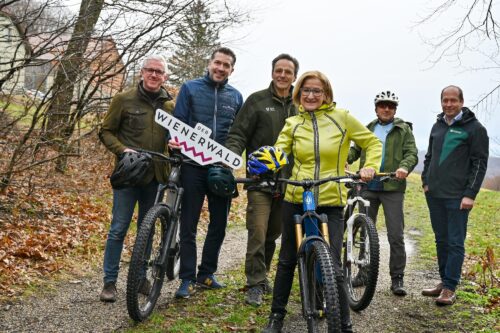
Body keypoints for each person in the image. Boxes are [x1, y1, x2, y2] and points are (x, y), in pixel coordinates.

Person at [261, 71, 382, 333]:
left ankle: (345, 323)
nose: (311, 95)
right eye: (306, 91)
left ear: (327, 93)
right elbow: (280, 151)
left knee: (334, 266)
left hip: (330, 199)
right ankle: (276, 316)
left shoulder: (343, 118)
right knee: (286, 260)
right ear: (299, 94)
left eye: (317, 90)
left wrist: (369, 166)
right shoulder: (293, 123)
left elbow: (372, 142)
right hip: (296, 197)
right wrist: (267, 161)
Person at [224, 53, 300, 307]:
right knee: (257, 231)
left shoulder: (301, 104)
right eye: (278, 70)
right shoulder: (256, 101)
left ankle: (263, 275)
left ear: (294, 76)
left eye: (287, 72)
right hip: (259, 179)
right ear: (272, 72)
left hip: (289, 182)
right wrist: (231, 158)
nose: (282, 75)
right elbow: (238, 134)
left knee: (273, 234)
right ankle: (254, 284)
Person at [168, 47, 243, 299]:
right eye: (217, 63)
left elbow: (238, 133)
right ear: (209, 63)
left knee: (219, 225)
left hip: (221, 169)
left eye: (226, 65)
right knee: (187, 225)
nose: (220, 68)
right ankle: (187, 278)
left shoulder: (236, 96)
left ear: (232, 69)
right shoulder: (190, 88)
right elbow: (177, 121)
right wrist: (173, 141)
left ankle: (206, 274)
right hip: (191, 165)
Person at [98, 55, 174, 302]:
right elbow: (106, 131)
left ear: (165, 77)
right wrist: (122, 150)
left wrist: (173, 147)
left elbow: (174, 141)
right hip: (129, 175)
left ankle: (140, 278)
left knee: (147, 229)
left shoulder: (170, 106)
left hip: (155, 176)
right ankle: (109, 282)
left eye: (159, 72)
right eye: (150, 70)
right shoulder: (124, 99)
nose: (154, 75)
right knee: (118, 228)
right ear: (142, 72)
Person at [421, 85, 489, 305]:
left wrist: (470, 194)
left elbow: (479, 163)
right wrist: (425, 181)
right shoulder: (437, 126)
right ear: (441, 102)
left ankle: (450, 287)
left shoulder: (474, 129)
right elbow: (429, 156)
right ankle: (444, 281)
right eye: (445, 100)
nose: (449, 104)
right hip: (435, 195)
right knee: (441, 240)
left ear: (461, 101)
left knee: (455, 242)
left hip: (458, 197)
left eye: (453, 100)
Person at [347, 90, 418, 296]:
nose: (386, 109)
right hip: (368, 186)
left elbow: (411, 153)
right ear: (376, 108)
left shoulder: (403, 129)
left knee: (395, 234)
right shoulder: (368, 128)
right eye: (382, 105)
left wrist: (404, 167)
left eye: (390, 106)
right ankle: (363, 273)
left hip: (392, 187)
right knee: (364, 231)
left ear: (395, 109)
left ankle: (397, 278)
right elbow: (356, 150)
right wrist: (345, 158)